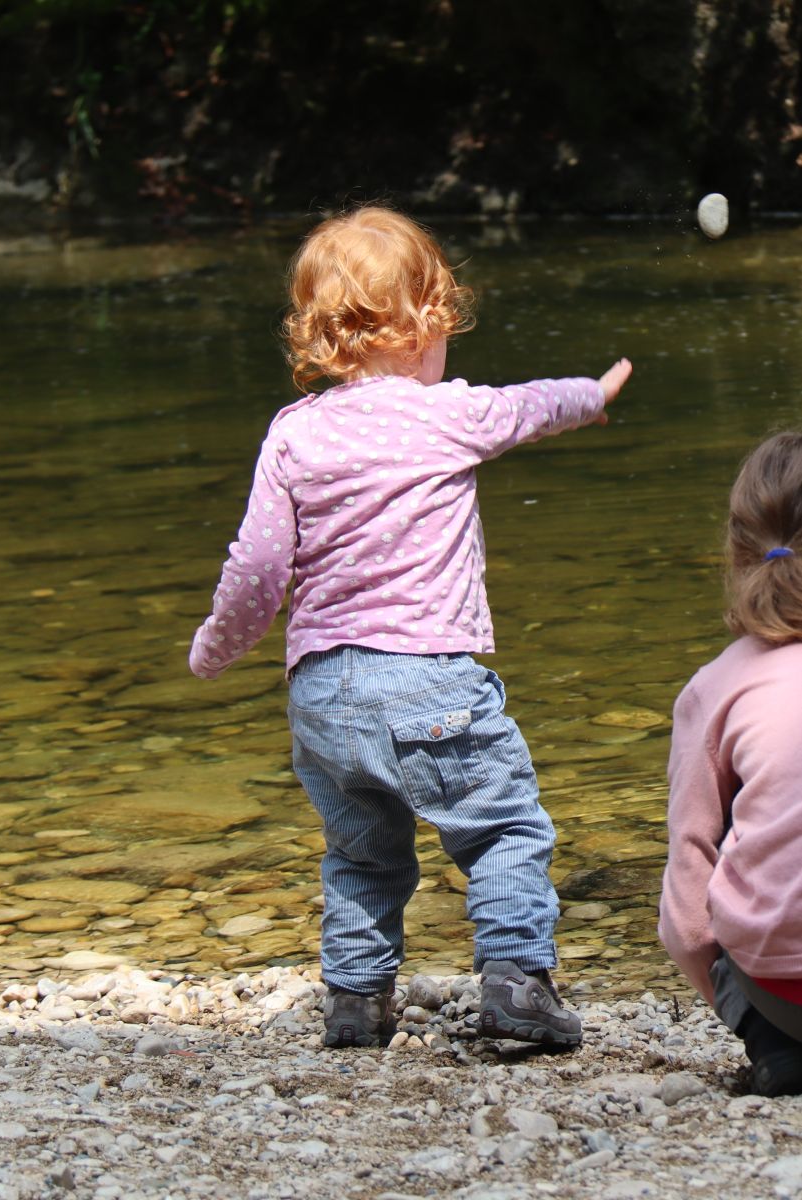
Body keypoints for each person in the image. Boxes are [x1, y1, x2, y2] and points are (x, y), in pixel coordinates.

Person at [190, 205, 632, 1048]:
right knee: (500, 826)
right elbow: (526, 407)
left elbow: (256, 569)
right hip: (428, 679)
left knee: (361, 854)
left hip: (321, 696)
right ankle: (514, 985)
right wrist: (591, 395)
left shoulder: (292, 434)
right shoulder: (444, 415)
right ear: (424, 324)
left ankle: (355, 1005)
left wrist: (215, 648)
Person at [659, 431, 802, 1096]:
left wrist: (735, 1009)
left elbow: (687, 912)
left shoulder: (715, 687)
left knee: (718, 833)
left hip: (782, 995)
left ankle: (777, 1047)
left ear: (738, 547)